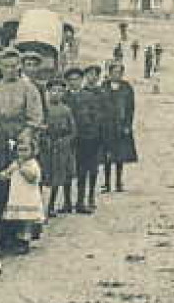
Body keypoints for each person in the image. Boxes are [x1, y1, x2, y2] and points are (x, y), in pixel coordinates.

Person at [0, 47, 45, 225]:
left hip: (22, 138)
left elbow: (35, 118)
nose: (11, 70)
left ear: (20, 66)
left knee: (21, 183)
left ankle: (21, 232)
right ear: (0, 67)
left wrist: (24, 138)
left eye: (14, 66)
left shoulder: (29, 89)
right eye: (6, 66)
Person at [64, 66, 103, 214]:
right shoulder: (64, 97)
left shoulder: (89, 97)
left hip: (86, 139)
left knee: (84, 170)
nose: (74, 82)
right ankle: (67, 202)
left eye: (77, 79)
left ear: (81, 80)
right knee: (67, 170)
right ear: (67, 82)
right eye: (71, 80)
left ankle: (81, 202)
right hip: (68, 140)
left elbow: (97, 117)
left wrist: (92, 134)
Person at [1, 131, 46, 251]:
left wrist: (21, 168)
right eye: (20, 150)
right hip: (17, 197)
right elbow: (7, 173)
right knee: (18, 219)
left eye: (25, 150)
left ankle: (25, 241)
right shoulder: (15, 163)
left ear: (32, 151)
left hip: (28, 197)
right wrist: (1, 174)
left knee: (27, 220)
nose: (22, 153)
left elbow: (32, 177)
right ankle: (17, 239)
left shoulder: (32, 164)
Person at [42, 76, 77, 217]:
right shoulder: (44, 109)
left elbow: (73, 131)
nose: (56, 94)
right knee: (45, 176)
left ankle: (51, 205)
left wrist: (65, 141)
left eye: (60, 91)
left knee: (58, 177)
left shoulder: (66, 110)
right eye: (53, 91)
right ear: (48, 92)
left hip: (62, 149)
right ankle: (40, 206)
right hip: (47, 148)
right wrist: (44, 139)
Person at [101, 61, 138, 193]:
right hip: (107, 126)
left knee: (120, 155)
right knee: (106, 155)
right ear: (109, 73)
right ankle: (106, 183)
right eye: (114, 72)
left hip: (121, 126)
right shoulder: (104, 87)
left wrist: (128, 124)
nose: (117, 75)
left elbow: (130, 108)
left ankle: (118, 182)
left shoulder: (127, 87)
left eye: (119, 72)